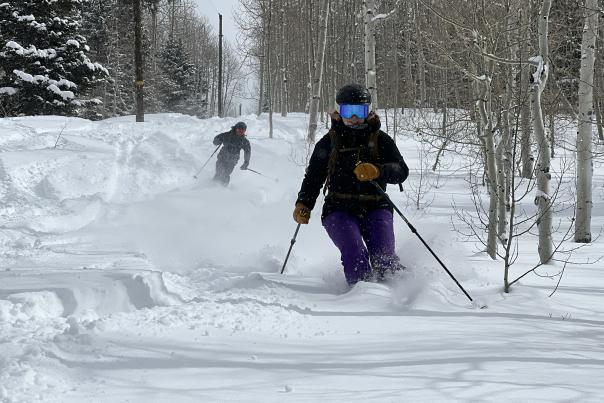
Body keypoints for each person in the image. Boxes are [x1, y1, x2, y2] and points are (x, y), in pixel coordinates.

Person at [293, 84, 409, 286]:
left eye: (360, 111)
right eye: (349, 111)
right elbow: (313, 177)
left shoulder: (381, 139)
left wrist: (378, 170)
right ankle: (361, 295)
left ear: (368, 111)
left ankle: (396, 296)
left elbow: (401, 171)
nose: (354, 117)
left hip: (376, 206)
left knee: (385, 257)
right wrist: (304, 203)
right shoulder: (329, 142)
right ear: (339, 111)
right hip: (339, 208)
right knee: (355, 251)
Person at [213, 121, 251, 186]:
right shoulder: (227, 135)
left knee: (225, 174)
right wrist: (217, 141)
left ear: (244, 132)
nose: (240, 132)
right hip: (222, 157)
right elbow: (215, 140)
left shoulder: (244, 141)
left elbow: (247, 152)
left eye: (242, 131)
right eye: (239, 130)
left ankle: (222, 188)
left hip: (232, 161)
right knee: (219, 172)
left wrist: (246, 163)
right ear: (236, 128)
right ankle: (212, 185)